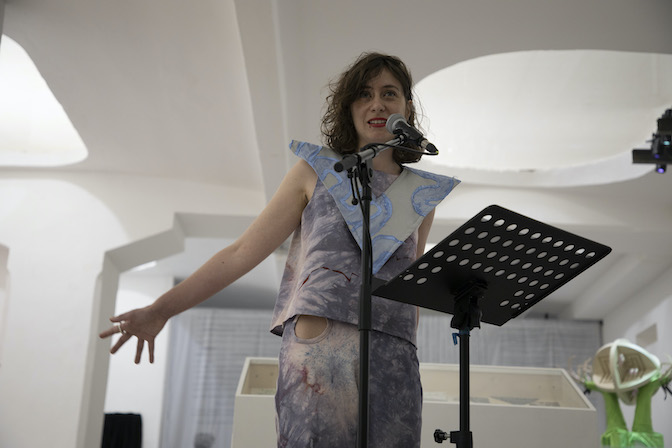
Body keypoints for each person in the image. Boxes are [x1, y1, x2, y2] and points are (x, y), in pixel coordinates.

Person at [99, 52, 459, 448]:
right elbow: (240, 253)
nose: (377, 103)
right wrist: (159, 310)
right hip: (320, 349)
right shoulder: (317, 171)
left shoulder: (423, 195)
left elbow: (404, 288)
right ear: (348, 108)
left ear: (406, 108)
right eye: (364, 94)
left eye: (389, 93)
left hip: (394, 357)